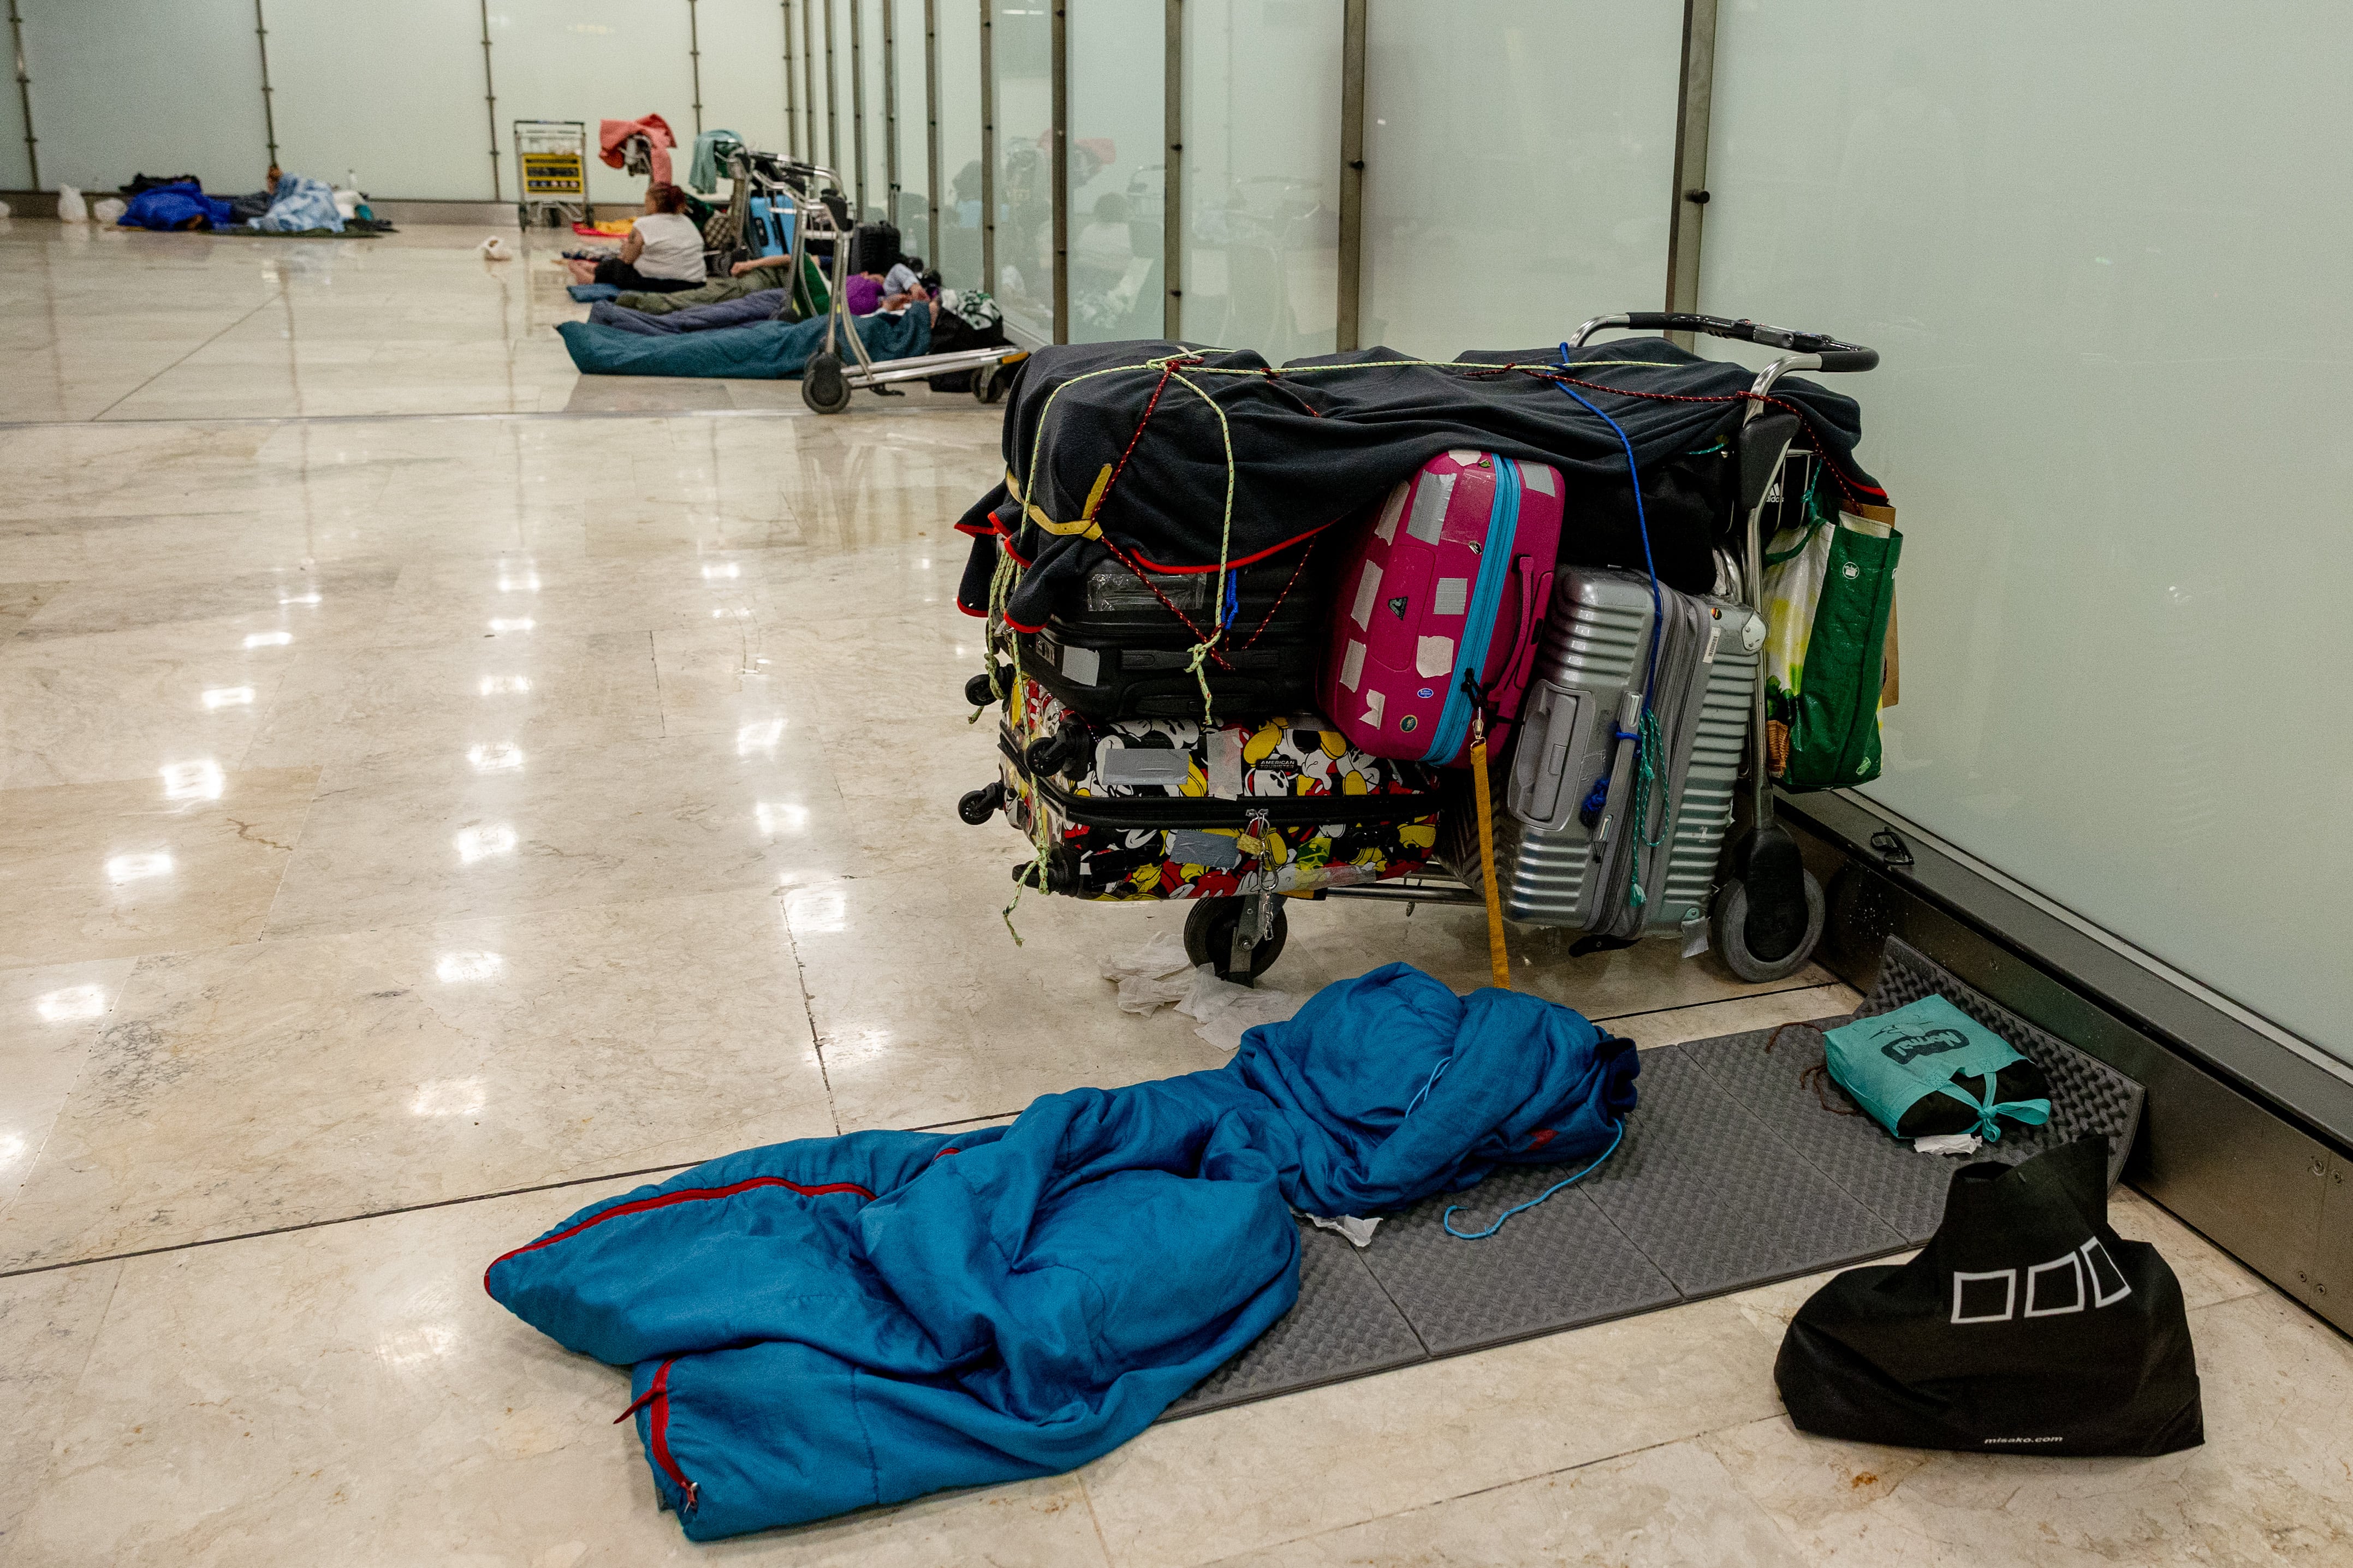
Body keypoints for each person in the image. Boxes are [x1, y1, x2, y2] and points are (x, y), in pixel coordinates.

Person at [566, 183, 708, 293]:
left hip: (664, 285)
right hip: (696, 283)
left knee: (618, 267)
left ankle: (590, 279)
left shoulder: (644, 224)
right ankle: (595, 268)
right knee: (619, 264)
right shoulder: (687, 221)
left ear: (653, 204)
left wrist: (627, 247)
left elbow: (628, 259)